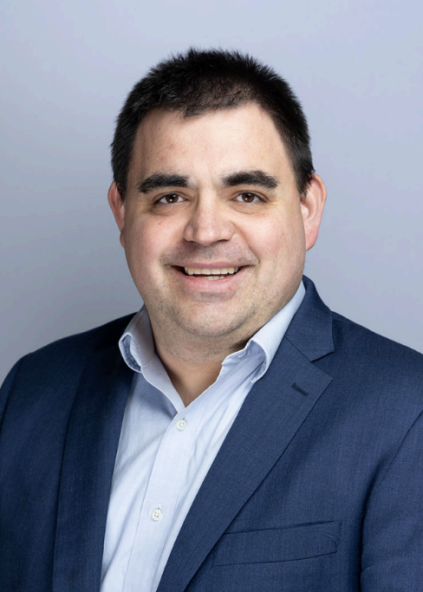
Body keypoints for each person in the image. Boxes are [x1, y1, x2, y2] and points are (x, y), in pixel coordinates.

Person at [1, 48, 422, 592]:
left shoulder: (407, 415)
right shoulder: (32, 392)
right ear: (122, 212)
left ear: (307, 208)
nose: (205, 232)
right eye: (170, 196)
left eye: (246, 195)